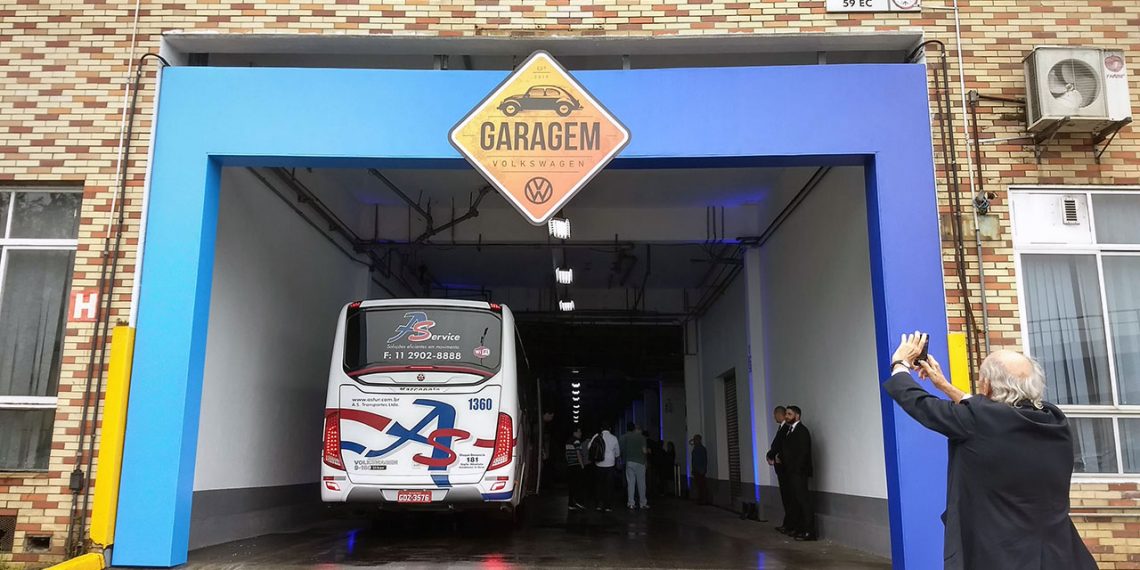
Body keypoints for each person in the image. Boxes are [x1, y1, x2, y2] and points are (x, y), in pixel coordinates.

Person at [885, 332, 1097, 570]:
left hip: (1001, 557)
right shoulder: (1056, 421)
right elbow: (990, 412)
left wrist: (899, 365)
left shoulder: (977, 421)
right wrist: (944, 385)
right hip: (1060, 557)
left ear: (986, 385)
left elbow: (920, 403)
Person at [781, 405, 815, 541]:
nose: (786, 416)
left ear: (797, 416)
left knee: (803, 501)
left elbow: (803, 452)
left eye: (789, 414)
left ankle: (809, 532)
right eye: (786, 414)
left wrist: (797, 469)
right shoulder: (790, 431)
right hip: (791, 472)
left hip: (799, 473)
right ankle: (799, 528)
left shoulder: (802, 431)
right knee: (795, 501)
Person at [765, 405, 794, 535]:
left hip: (784, 468)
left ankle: (790, 524)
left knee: (788, 497)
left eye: (774, 415)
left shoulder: (786, 428)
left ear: (778, 414)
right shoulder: (782, 428)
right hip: (781, 468)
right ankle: (787, 523)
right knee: (785, 497)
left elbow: (780, 446)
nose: (774, 417)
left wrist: (773, 455)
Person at [588, 424, 620, 512]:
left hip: (599, 464)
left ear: (601, 428)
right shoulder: (614, 438)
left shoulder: (596, 436)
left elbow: (589, 447)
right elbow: (617, 453)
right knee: (609, 486)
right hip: (610, 465)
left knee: (599, 485)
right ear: (610, 428)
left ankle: (599, 505)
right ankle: (608, 506)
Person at [621, 424, 650, 509]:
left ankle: (631, 503)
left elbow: (623, 449)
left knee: (630, 483)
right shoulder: (642, 438)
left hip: (629, 462)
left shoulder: (627, 437)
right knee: (641, 483)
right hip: (640, 462)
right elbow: (644, 451)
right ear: (640, 430)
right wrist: (647, 456)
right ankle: (643, 503)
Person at [564, 427, 587, 511]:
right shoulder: (576, 441)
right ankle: (578, 502)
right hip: (576, 466)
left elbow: (566, 454)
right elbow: (578, 453)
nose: (581, 433)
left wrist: (569, 462)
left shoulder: (568, 442)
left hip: (570, 466)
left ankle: (571, 504)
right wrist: (582, 465)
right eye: (579, 432)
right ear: (575, 432)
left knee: (571, 486)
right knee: (578, 485)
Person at [689, 434, 709, 505]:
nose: (694, 441)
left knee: (701, 485)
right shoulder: (696, 448)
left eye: (696, 439)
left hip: (700, 469)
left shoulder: (701, 449)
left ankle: (703, 499)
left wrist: (703, 469)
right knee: (699, 485)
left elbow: (704, 459)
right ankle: (701, 499)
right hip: (696, 469)